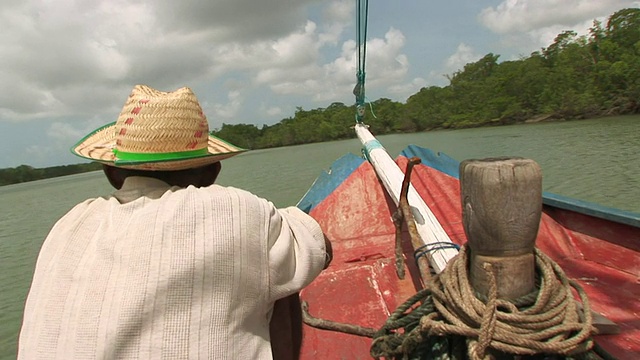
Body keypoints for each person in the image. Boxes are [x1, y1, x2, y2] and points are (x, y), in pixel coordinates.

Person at [18, 85, 332, 359]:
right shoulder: (234, 208)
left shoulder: (68, 223)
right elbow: (320, 248)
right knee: (282, 275)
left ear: (111, 174)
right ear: (212, 172)